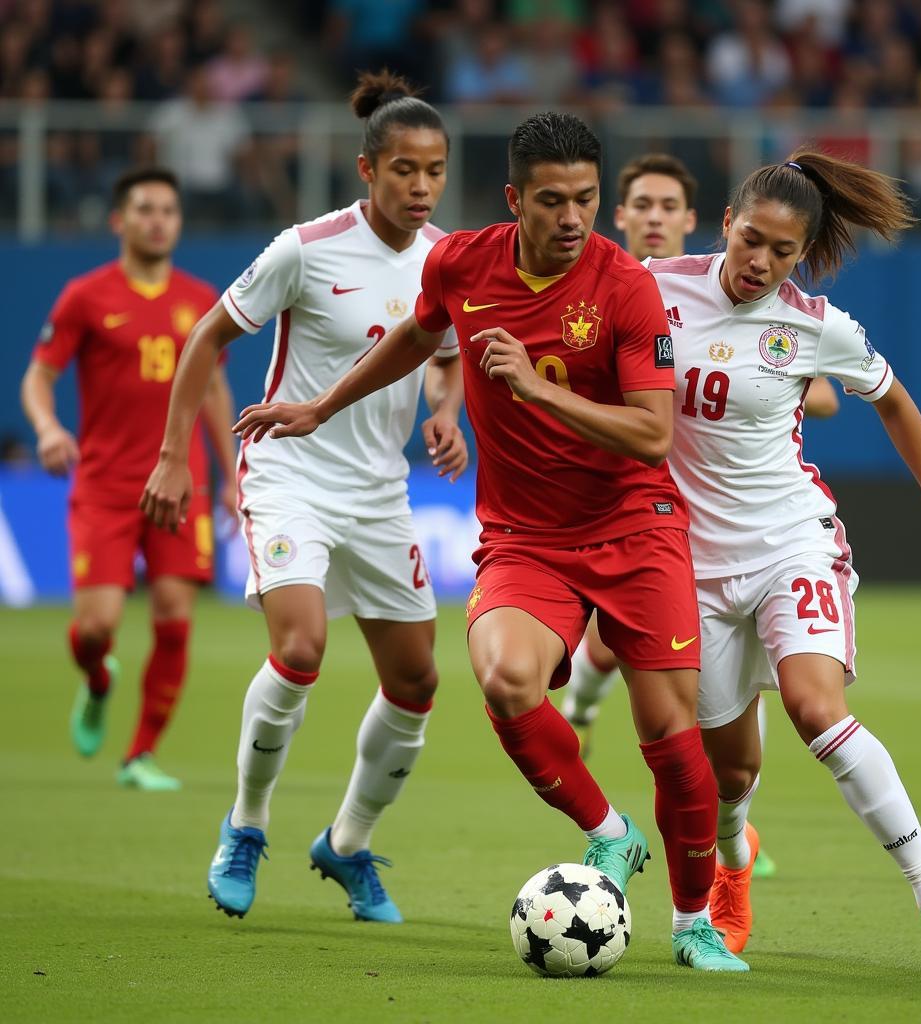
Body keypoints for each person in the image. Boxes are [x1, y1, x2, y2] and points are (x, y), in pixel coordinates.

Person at [234, 111, 750, 972]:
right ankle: (609, 833)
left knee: (672, 739)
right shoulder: (459, 261)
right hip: (526, 537)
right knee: (507, 681)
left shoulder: (625, 288)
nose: (574, 217)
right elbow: (417, 333)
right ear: (516, 200)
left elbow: (654, 435)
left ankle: (693, 921)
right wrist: (323, 405)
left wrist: (539, 394)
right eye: (553, 200)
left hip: (635, 530)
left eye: (587, 198)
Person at [646, 150, 921, 960]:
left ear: (801, 254)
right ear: (727, 223)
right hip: (690, 565)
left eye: (782, 252)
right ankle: (734, 860)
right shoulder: (655, 286)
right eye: (752, 242)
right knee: (728, 775)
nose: (760, 263)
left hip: (790, 541)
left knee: (815, 710)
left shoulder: (815, 324)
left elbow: (898, 403)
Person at [140, 71, 466, 925]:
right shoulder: (305, 247)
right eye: (404, 170)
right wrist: (175, 456)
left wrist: (444, 412)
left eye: (434, 170)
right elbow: (208, 336)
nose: (422, 186)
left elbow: (441, 352)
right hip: (289, 469)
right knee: (302, 646)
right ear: (368, 170)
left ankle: (348, 845)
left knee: (418, 680)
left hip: (380, 491)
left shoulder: (449, 260)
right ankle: (245, 826)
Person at [561, 151, 839, 881]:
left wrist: (735, 381)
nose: (653, 217)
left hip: (702, 524)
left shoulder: (739, 293)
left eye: (666, 207)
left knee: (693, 699)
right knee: (636, 673)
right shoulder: (620, 286)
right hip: (621, 503)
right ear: (619, 217)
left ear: (692, 220)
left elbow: (822, 390)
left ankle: (721, 834)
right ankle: (595, 735)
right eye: (641, 206)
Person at [20, 166, 237, 791]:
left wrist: (228, 475)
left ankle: (139, 754)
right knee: (95, 629)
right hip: (106, 486)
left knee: (174, 616)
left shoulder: (201, 301)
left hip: (182, 487)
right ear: (119, 220)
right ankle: (96, 680)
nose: (157, 220)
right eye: (144, 209)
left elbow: (216, 389)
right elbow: (38, 376)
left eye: (168, 210)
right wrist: (47, 428)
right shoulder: (85, 297)